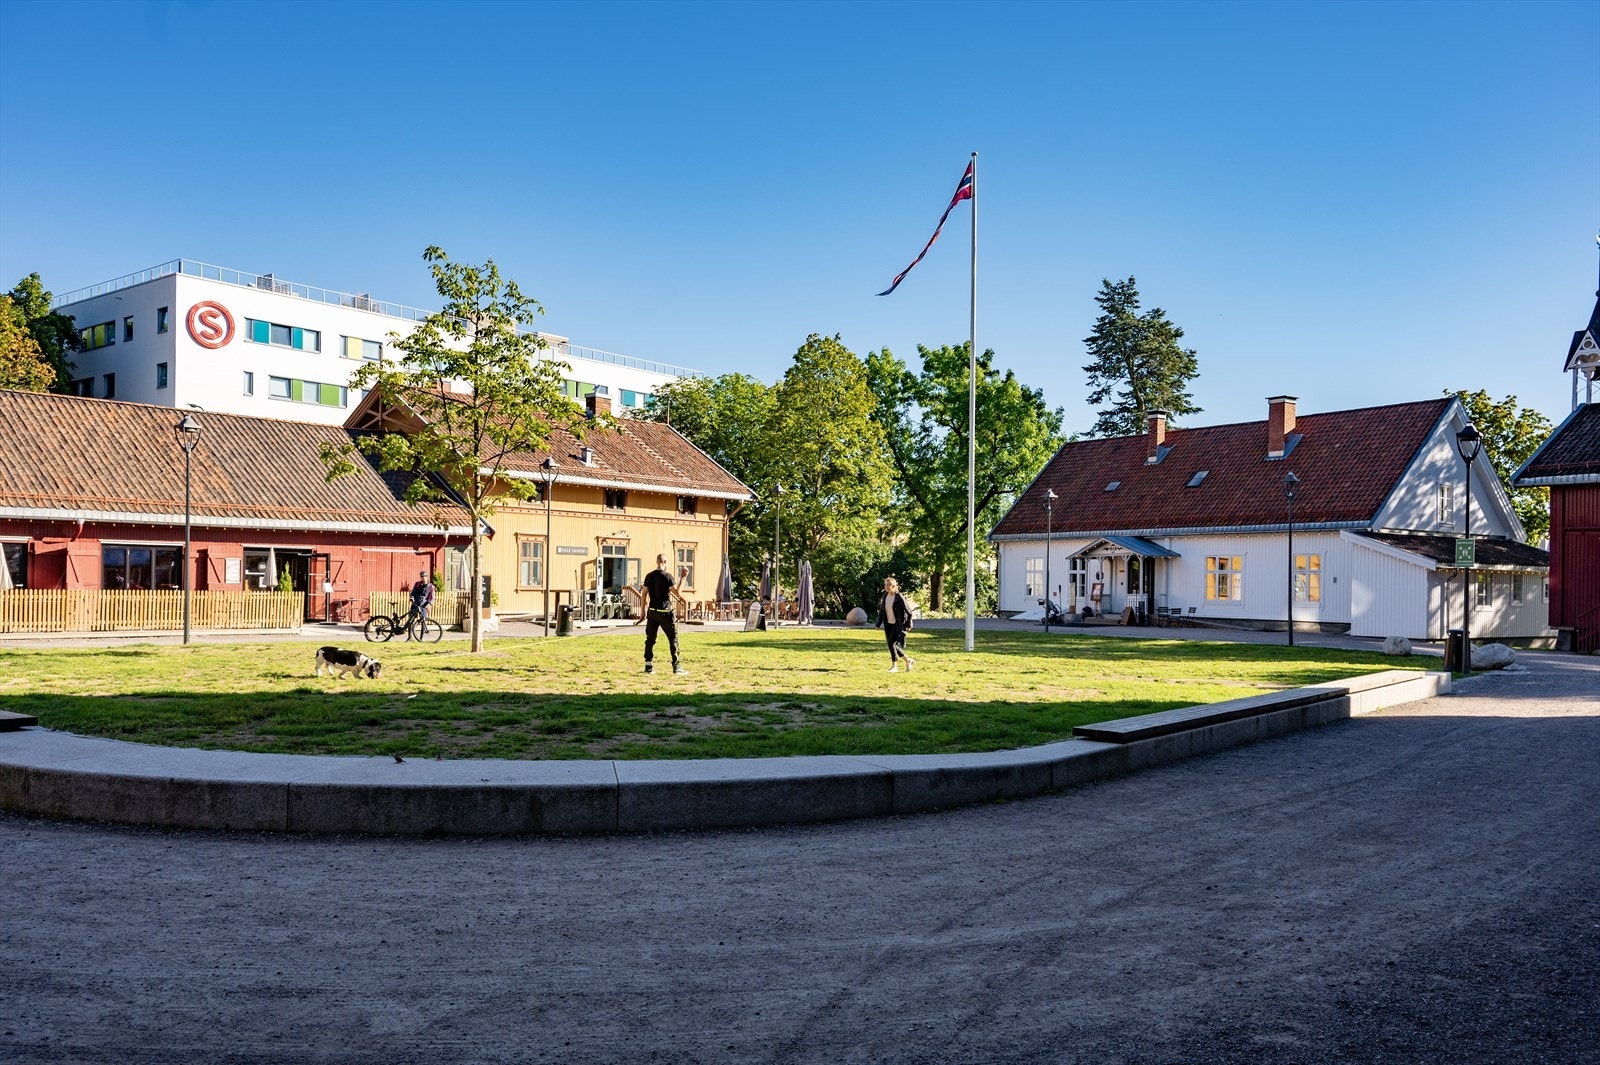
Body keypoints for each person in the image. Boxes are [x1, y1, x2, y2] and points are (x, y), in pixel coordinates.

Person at [642, 553, 684, 675]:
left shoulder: (649, 576)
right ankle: (677, 667)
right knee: (673, 639)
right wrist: (682, 578)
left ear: (657, 561)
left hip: (652, 612)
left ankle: (648, 666)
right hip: (665, 612)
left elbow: (644, 593)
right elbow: (677, 593)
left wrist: (642, 612)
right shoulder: (668, 577)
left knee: (650, 639)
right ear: (664, 561)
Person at [875, 576, 916, 673]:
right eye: (886, 585)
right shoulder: (885, 596)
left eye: (889, 585)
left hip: (897, 624)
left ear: (893, 586)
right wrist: (878, 623)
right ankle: (908, 661)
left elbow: (909, 611)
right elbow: (882, 611)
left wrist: (908, 624)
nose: (887, 587)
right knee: (892, 645)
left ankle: (894, 666)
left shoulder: (899, 597)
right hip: (888, 624)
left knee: (891, 643)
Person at [407, 570, 435, 634]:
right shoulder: (417, 584)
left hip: (424, 606)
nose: (423, 577)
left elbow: (433, 598)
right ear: (420, 577)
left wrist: (429, 604)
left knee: (423, 621)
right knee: (410, 620)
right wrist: (412, 598)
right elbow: (412, 593)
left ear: (427, 577)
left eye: (425, 576)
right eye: (422, 576)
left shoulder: (431, 586)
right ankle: (409, 637)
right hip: (415, 605)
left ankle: (421, 638)